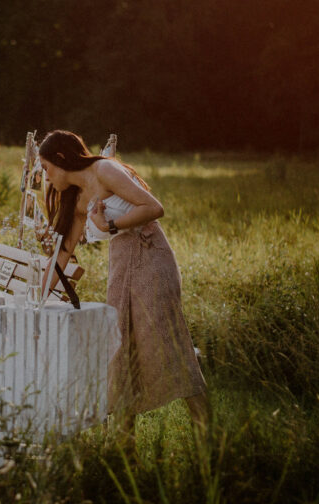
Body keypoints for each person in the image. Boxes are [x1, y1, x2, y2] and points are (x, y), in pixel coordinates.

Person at [38, 130, 211, 435]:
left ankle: (208, 435)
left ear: (61, 160)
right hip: (121, 263)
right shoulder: (76, 199)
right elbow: (63, 254)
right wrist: (37, 299)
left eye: (46, 168)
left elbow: (155, 208)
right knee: (120, 349)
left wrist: (111, 224)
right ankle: (124, 447)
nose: (46, 177)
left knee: (168, 346)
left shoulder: (104, 170)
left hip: (151, 256)